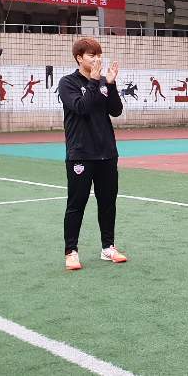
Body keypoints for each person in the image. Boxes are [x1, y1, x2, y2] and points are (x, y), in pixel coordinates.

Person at [58, 37, 126, 271]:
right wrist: (95, 81)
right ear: (79, 58)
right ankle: (71, 251)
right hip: (81, 154)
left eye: (99, 55)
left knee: (107, 203)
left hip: (107, 153)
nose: (97, 59)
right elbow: (82, 107)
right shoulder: (68, 83)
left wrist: (111, 85)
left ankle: (108, 247)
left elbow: (116, 111)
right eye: (91, 55)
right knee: (76, 204)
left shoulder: (104, 83)